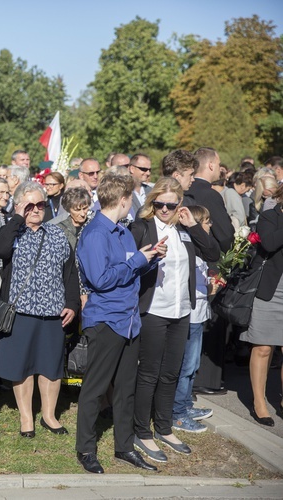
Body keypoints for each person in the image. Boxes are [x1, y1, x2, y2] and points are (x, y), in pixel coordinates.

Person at [75, 171, 162, 474]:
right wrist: (138, 260)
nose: (132, 203)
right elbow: (100, 280)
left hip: (129, 320)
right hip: (106, 321)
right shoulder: (96, 233)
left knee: (126, 388)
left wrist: (149, 258)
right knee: (96, 388)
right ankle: (86, 448)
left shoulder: (123, 231)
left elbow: (128, 272)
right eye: (131, 199)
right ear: (123, 200)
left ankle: (124, 446)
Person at [130, 178, 220, 461]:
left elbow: (213, 253)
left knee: (171, 373)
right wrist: (150, 257)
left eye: (171, 204)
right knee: (149, 373)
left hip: (182, 311)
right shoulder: (142, 228)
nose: (165, 209)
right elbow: (129, 266)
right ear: (152, 202)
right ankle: (142, 432)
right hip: (154, 309)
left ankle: (165, 427)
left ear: (179, 204)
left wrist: (193, 224)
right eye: (160, 204)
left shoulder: (185, 230)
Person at [0, 182, 79, 438]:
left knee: (50, 367)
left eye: (40, 204)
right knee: (22, 366)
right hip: (21, 313)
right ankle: (26, 417)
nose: (36, 209)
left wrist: (72, 304)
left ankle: (49, 416)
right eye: (30, 205)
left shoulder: (57, 234)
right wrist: (18, 216)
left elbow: (71, 273)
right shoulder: (13, 232)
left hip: (53, 313)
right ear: (19, 206)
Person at [185, 148, 235, 396]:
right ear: (211, 166)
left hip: (188, 265)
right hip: (210, 264)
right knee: (210, 325)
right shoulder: (210, 195)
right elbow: (225, 235)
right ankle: (206, 379)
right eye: (218, 162)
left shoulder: (187, 190)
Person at [240, 184, 283, 427]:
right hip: (272, 289)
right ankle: (259, 403)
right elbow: (269, 243)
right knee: (263, 348)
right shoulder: (270, 216)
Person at [172, 205, 216, 434]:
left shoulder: (201, 252)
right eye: (206, 221)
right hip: (189, 315)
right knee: (185, 365)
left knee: (193, 365)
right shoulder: (188, 251)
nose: (210, 226)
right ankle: (177, 411)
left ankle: (186, 404)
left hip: (199, 314)